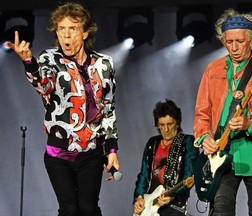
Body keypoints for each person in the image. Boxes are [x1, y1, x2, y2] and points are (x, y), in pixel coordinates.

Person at [6, 2, 120, 216]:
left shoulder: (105, 64)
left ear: (85, 33)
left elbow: (109, 108)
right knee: (69, 210)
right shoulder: (50, 59)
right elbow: (43, 85)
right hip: (59, 152)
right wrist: (29, 62)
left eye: (73, 29)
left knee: (87, 208)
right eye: (61, 29)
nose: (66, 36)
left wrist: (112, 150)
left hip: (91, 151)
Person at [193, 8, 252, 216]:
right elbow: (202, 112)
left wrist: (251, 123)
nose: (234, 48)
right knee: (221, 210)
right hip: (223, 152)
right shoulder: (212, 69)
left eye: (240, 42)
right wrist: (204, 136)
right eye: (229, 42)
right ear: (223, 41)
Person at [133, 99, 199, 216]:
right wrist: (139, 197)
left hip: (173, 205)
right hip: (148, 204)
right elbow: (143, 174)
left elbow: (189, 175)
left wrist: (174, 195)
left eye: (170, 124)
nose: (166, 129)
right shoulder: (152, 143)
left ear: (177, 123)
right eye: (162, 125)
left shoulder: (187, 142)